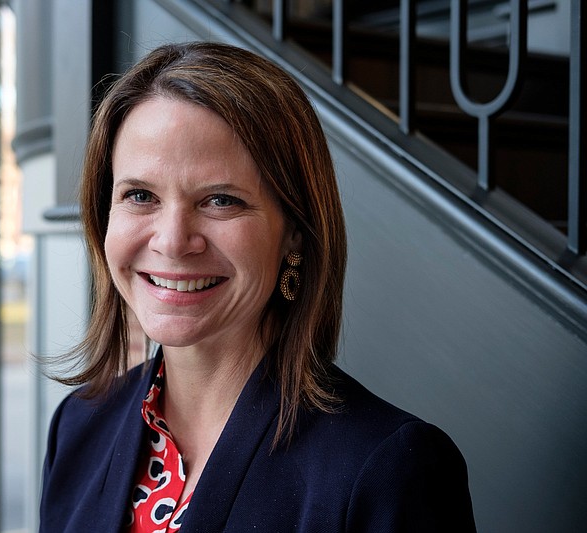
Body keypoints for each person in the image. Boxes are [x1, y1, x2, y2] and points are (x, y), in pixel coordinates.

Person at [39, 41, 476, 532]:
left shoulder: (388, 470)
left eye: (221, 200)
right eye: (140, 195)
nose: (173, 241)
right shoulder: (78, 427)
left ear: (294, 229)